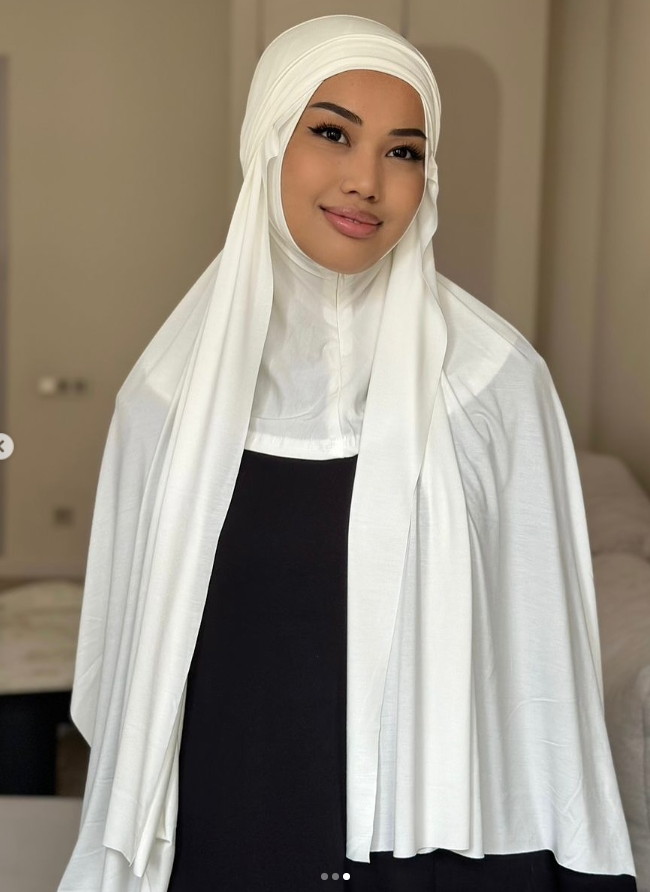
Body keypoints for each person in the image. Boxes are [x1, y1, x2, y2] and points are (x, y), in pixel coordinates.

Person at [57, 15, 637, 892]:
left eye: (404, 151)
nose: (367, 180)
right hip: (223, 839)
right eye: (332, 133)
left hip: (435, 854)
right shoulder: (167, 401)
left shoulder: (494, 387)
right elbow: (127, 670)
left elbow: (542, 664)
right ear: (268, 142)